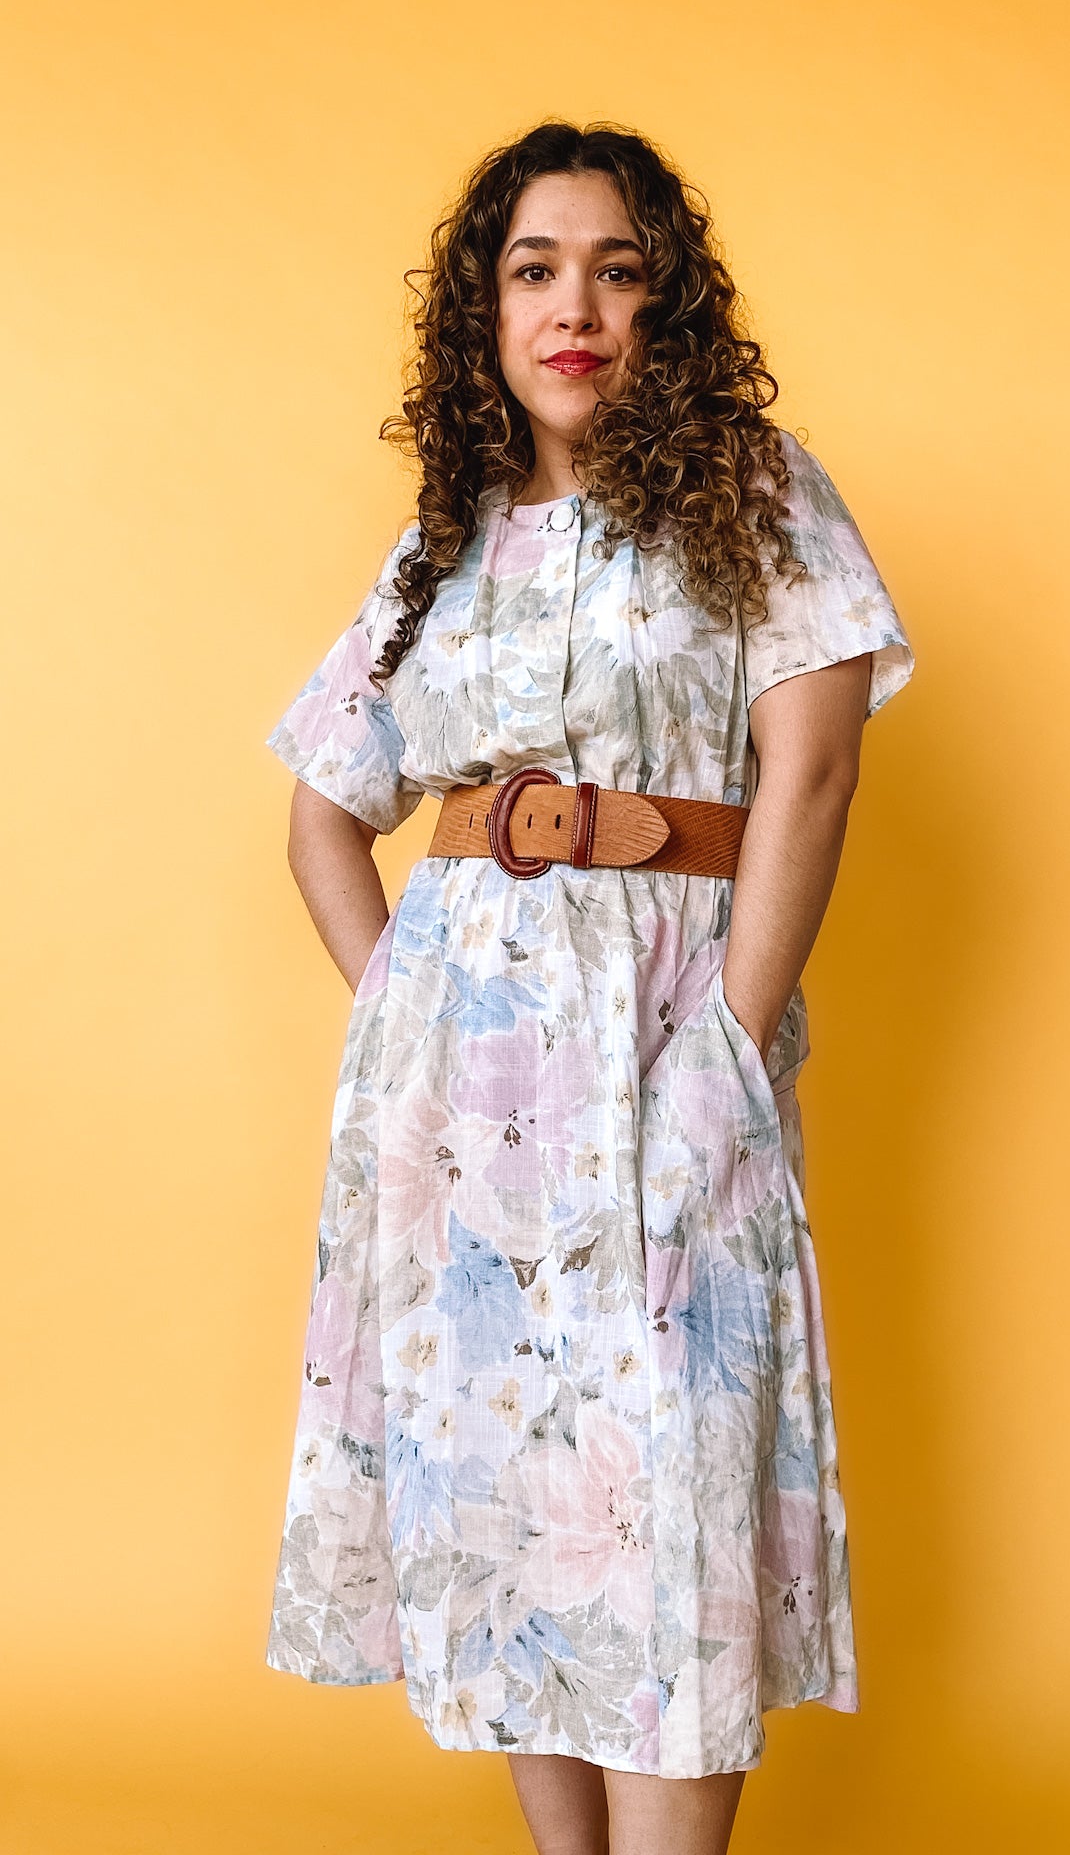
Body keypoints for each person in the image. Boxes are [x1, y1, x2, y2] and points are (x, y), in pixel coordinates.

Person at [263, 120, 915, 1855]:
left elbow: (814, 775)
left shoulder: (758, 494)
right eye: (534, 271)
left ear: (666, 305)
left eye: (618, 271)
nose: (575, 309)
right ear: (483, 314)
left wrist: (727, 1042)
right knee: (512, 1498)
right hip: (460, 1109)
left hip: (672, 1040)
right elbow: (325, 814)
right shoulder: (443, 546)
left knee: (669, 1492)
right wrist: (406, 1020)